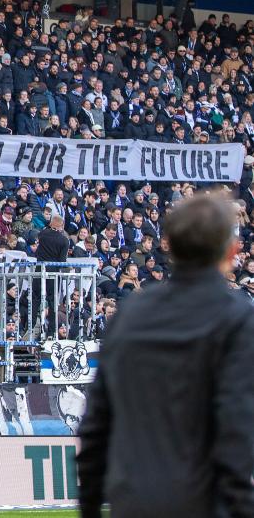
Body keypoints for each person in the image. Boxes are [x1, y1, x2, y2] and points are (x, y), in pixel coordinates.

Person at [78, 195, 254, 518]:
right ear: (231, 252)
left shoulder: (131, 312)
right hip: (204, 502)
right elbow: (235, 426)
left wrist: (89, 506)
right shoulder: (237, 317)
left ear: (169, 245)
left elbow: (97, 422)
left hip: (134, 501)